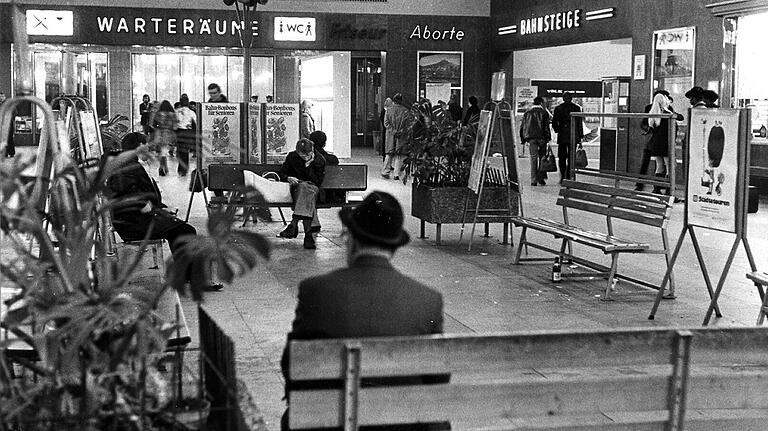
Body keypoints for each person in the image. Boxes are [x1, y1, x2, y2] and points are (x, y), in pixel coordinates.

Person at [280, 191, 446, 431]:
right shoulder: (428, 299)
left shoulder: (315, 290)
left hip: (330, 423)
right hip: (402, 424)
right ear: (393, 247)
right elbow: (436, 380)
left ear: (353, 240)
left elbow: (292, 366)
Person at [106, 132, 222, 292]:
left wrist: (159, 207)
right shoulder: (128, 168)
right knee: (185, 230)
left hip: (136, 220)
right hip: (136, 223)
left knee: (180, 230)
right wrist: (148, 206)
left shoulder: (128, 165)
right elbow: (128, 196)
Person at [277, 138, 326, 250]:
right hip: (297, 191)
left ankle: (293, 225)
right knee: (305, 192)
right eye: (301, 155)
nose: (304, 157)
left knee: (305, 187)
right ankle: (308, 236)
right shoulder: (292, 156)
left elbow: (317, 182)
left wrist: (308, 166)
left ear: (312, 149)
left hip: (314, 190)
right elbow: (282, 172)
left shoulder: (319, 160)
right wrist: (288, 178)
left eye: (306, 155)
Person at [648, 93, 678, 194]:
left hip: (656, 143)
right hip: (666, 143)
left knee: (659, 166)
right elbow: (676, 123)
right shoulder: (667, 113)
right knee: (670, 167)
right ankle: (670, 191)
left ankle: (656, 189)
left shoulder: (652, 113)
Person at [519, 96, 552, 186]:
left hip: (531, 138)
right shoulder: (544, 113)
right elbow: (546, 127)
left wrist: (523, 139)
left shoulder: (527, 113)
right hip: (542, 138)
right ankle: (541, 179)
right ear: (541, 103)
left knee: (533, 159)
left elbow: (523, 127)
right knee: (542, 158)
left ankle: (533, 180)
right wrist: (548, 138)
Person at [551, 92, 583, 183]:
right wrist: (580, 135)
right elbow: (579, 123)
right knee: (571, 157)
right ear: (571, 98)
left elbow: (554, 122)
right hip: (573, 135)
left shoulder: (558, 108)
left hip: (562, 135)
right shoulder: (576, 108)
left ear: (563, 98)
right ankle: (570, 175)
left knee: (562, 156)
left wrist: (558, 130)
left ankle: (563, 175)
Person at [382, 93, 411, 180]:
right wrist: (401, 131)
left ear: (394, 101)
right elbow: (408, 125)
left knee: (389, 154)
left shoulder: (388, 110)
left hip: (391, 135)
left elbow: (386, 123)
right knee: (399, 155)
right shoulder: (406, 111)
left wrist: (393, 131)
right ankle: (396, 174)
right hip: (402, 136)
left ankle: (385, 171)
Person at [149, 100, 177, 176]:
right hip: (169, 133)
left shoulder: (158, 114)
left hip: (159, 133)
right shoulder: (173, 114)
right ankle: (164, 168)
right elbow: (175, 126)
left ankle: (163, 167)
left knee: (162, 151)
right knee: (164, 151)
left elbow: (153, 125)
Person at [175, 94, 196, 177]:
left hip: (179, 132)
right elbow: (196, 122)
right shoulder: (191, 112)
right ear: (188, 102)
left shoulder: (176, 111)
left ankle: (180, 169)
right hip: (188, 133)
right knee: (185, 151)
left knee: (180, 151)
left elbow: (174, 123)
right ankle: (185, 169)